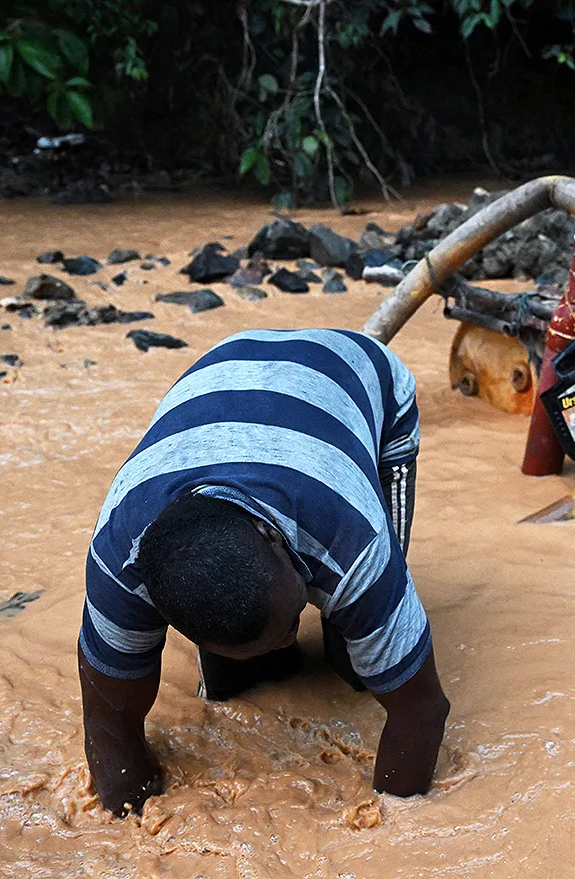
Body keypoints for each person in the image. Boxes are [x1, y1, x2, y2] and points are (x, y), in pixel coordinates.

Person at [76, 327, 449, 816]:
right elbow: (109, 717)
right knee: (234, 682)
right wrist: (128, 824)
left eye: (294, 616)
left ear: (274, 537)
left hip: (355, 372)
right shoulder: (118, 564)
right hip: (220, 374)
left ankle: (331, 640)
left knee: (355, 659)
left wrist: (390, 837)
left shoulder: (350, 539)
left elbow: (422, 710)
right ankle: (248, 653)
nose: (291, 634)